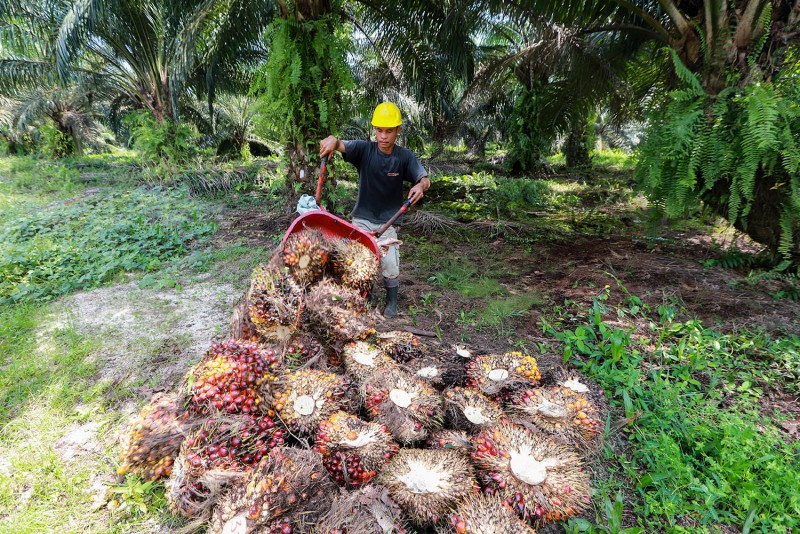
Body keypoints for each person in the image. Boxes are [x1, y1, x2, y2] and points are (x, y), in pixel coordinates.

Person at [319, 102, 430, 318]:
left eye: (389, 131)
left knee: (389, 262)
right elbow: (340, 144)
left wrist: (420, 186)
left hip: (389, 221)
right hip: (362, 218)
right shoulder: (364, 150)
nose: (383, 136)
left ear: (398, 130)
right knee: (358, 259)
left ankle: (392, 302)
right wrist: (333, 141)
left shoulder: (404, 157)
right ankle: (364, 294)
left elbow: (424, 179)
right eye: (379, 130)